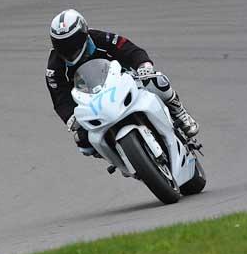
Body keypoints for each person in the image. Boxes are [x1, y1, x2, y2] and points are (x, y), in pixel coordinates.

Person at [46, 9, 199, 156]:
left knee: (157, 80)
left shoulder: (99, 38)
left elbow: (129, 49)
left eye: (71, 42)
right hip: (92, 101)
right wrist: (70, 117)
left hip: (123, 81)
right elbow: (59, 98)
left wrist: (143, 66)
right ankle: (121, 156)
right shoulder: (54, 67)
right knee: (83, 142)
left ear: (84, 34)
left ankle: (179, 112)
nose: (67, 49)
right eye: (61, 44)